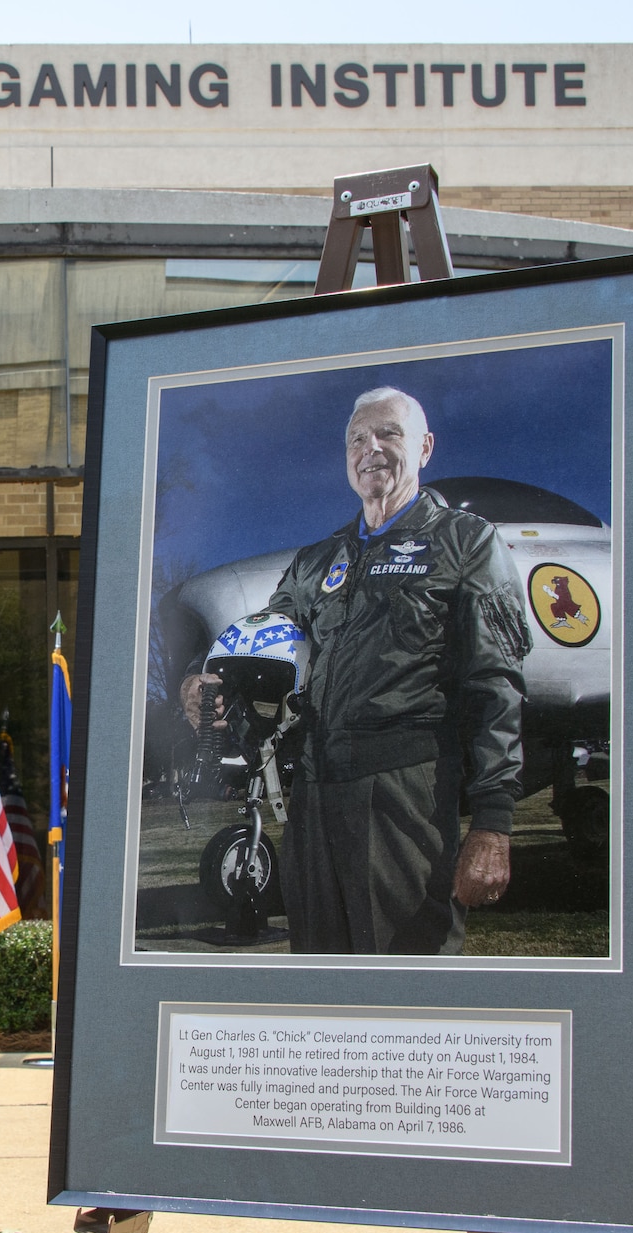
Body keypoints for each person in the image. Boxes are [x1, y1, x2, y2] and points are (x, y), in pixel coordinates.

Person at [182, 387, 530, 954]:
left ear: (425, 448)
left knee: (406, 984)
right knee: (319, 981)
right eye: (357, 439)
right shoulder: (318, 561)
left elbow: (498, 687)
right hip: (314, 797)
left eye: (389, 433)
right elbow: (259, 634)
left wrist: (493, 822)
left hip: (404, 795)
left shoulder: (465, 544)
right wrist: (200, 677)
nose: (371, 448)